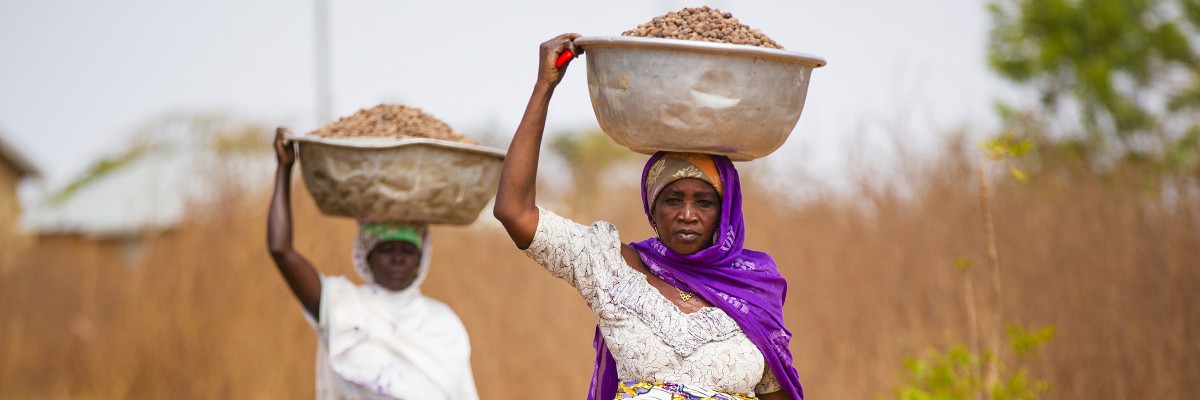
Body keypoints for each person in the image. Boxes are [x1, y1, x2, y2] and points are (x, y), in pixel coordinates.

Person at [493, 34, 803, 400]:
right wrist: (545, 86)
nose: (687, 215)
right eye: (673, 200)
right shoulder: (609, 268)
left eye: (704, 202)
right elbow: (514, 211)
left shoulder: (753, 290)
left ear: (726, 212)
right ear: (652, 208)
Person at [267, 128, 479, 400]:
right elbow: (280, 250)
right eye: (386, 249)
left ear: (421, 258)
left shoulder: (444, 324)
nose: (398, 258)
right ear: (367, 256)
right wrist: (284, 168)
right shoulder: (342, 306)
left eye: (407, 249)